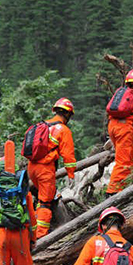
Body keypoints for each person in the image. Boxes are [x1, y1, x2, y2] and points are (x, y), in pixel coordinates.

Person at [27, 97, 77, 238]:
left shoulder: (41, 125)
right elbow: (68, 157)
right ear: (67, 114)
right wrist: (71, 175)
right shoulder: (63, 130)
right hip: (45, 169)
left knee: (47, 196)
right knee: (45, 203)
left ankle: (36, 227)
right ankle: (40, 236)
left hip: (32, 168)